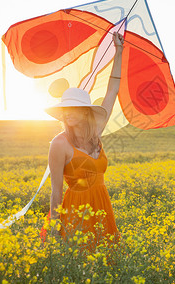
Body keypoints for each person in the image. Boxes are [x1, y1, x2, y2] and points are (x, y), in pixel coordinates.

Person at [41, 32, 124, 248]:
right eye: (64, 108)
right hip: (76, 208)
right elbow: (56, 190)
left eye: (73, 108)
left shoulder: (96, 131)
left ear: (85, 112)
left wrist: (119, 51)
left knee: (107, 260)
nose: (67, 113)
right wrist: (55, 227)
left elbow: (112, 90)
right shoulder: (59, 144)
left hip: (102, 204)